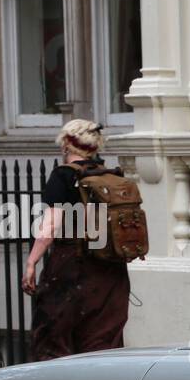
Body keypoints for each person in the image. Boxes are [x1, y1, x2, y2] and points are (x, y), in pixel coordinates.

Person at [23, 119, 131, 361]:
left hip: (73, 268)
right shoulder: (112, 177)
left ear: (66, 145)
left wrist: (32, 262)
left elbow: (52, 224)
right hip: (111, 272)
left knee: (53, 338)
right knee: (103, 344)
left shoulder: (63, 176)